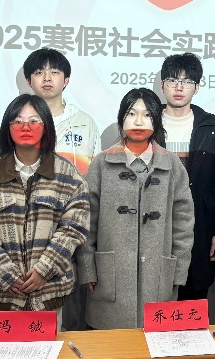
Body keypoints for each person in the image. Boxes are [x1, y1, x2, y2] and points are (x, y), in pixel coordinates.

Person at [77, 88, 194, 329]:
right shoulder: (101, 164)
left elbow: (183, 225)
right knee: (111, 346)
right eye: (131, 114)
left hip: (158, 274)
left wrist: (178, 271)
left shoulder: (172, 165)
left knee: (155, 346)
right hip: (110, 276)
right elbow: (85, 222)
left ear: (157, 121)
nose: (138, 121)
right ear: (121, 119)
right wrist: (88, 269)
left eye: (147, 115)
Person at [0, 95, 90, 313]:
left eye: (34, 121)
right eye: (18, 121)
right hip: (0, 295)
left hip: (49, 294)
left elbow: (73, 228)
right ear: (8, 128)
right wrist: (5, 274)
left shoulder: (67, 174)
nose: (26, 127)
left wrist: (44, 269)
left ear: (46, 127)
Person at [158, 52, 215, 301]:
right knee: (156, 296)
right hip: (155, 225)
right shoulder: (148, 125)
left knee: (194, 295)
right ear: (162, 85)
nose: (179, 87)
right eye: (172, 80)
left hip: (200, 226)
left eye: (187, 81)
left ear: (196, 88)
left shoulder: (211, 129)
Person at [0, 48, 99, 175]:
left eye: (54, 72)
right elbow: (1, 171)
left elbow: (96, 173)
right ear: (28, 81)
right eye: (39, 72)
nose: (47, 78)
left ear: (66, 80)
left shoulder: (85, 123)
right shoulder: (15, 123)